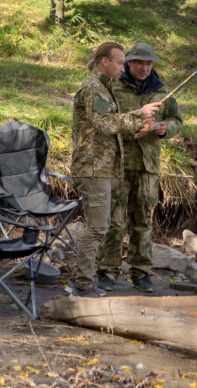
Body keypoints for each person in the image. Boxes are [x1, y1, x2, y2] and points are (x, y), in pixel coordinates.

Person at [68, 41, 161, 298]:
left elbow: (107, 127)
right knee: (98, 228)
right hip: (93, 169)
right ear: (104, 62)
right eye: (120, 62)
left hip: (104, 169)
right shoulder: (93, 90)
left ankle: (84, 281)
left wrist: (136, 129)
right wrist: (138, 116)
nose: (123, 67)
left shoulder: (104, 89)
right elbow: (104, 124)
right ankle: (82, 284)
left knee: (101, 226)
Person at [96, 43, 182, 293]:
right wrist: (135, 122)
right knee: (115, 221)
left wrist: (166, 128)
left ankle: (142, 273)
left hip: (148, 167)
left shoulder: (163, 91)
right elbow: (100, 118)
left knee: (143, 221)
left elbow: (177, 120)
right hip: (118, 165)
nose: (144, 68)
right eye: (139, 63)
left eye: (149, 64)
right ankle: (107, 272)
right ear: (129, 63)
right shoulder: (111, 86)